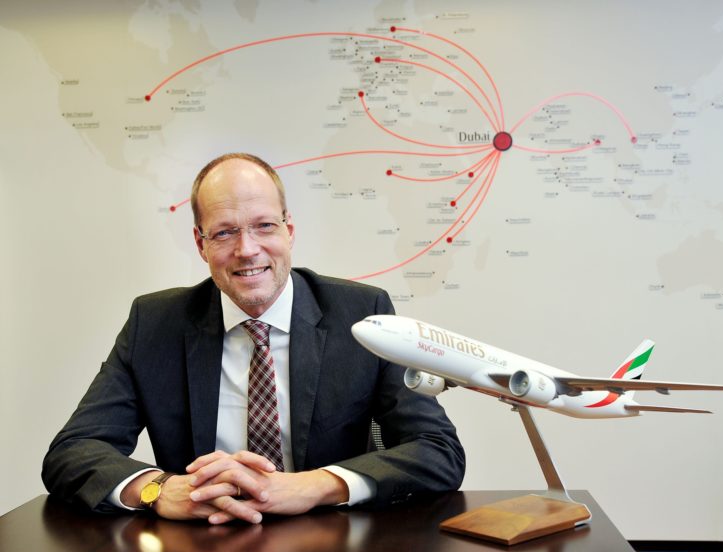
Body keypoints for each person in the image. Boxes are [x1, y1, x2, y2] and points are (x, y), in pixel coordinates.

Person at [42, 152, 465, 525]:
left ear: (289, 231)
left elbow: (437, 451)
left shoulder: (361, 314)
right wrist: (159, 490)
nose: (247, 249)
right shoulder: (154, 324)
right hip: (200, 545)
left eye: (264, 226)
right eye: (225, 232)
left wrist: (313, 486)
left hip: (327, 543)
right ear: (200, 243)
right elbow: (74, 451)